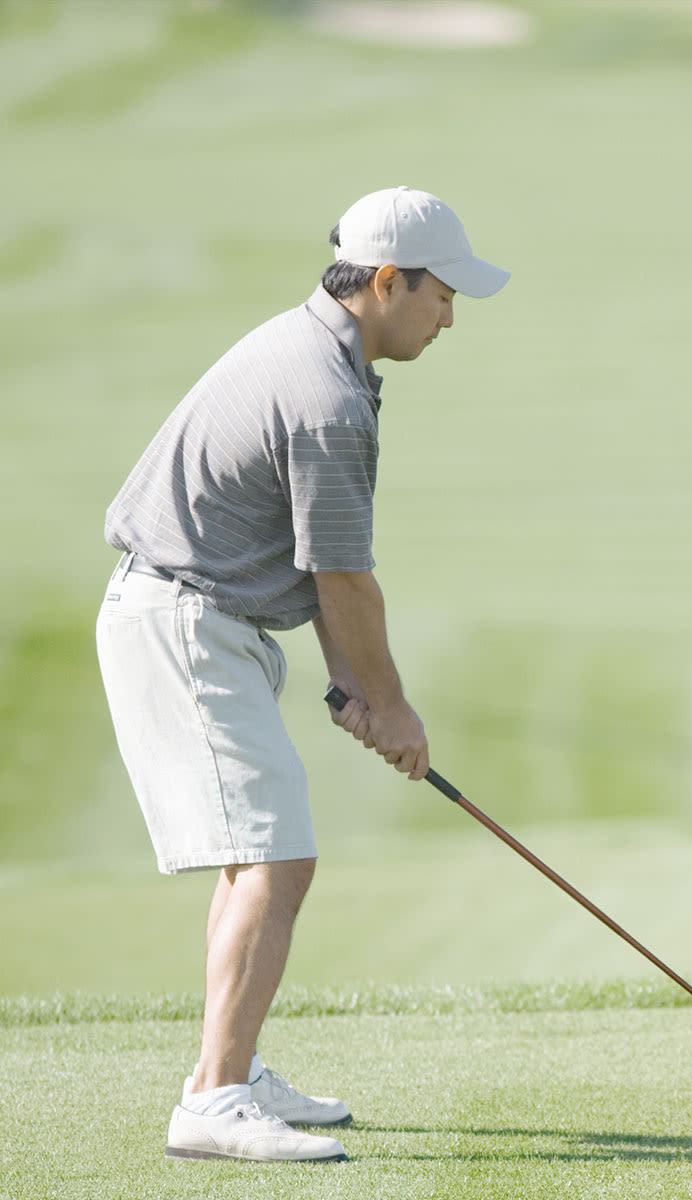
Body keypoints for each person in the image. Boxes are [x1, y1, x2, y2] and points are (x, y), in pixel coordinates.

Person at [95, 186, 508, 1163]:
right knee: (275, 855)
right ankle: (216, 1101)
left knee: (263, 853)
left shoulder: (315, 351)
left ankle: (221, 1072)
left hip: (203, 618)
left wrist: (356, 690)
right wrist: (391, 707)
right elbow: (343, 580)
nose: (451, 316)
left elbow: (322, 573)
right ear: (385, 280)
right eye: (442, 295)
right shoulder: (325, 398)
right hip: (185, 623)